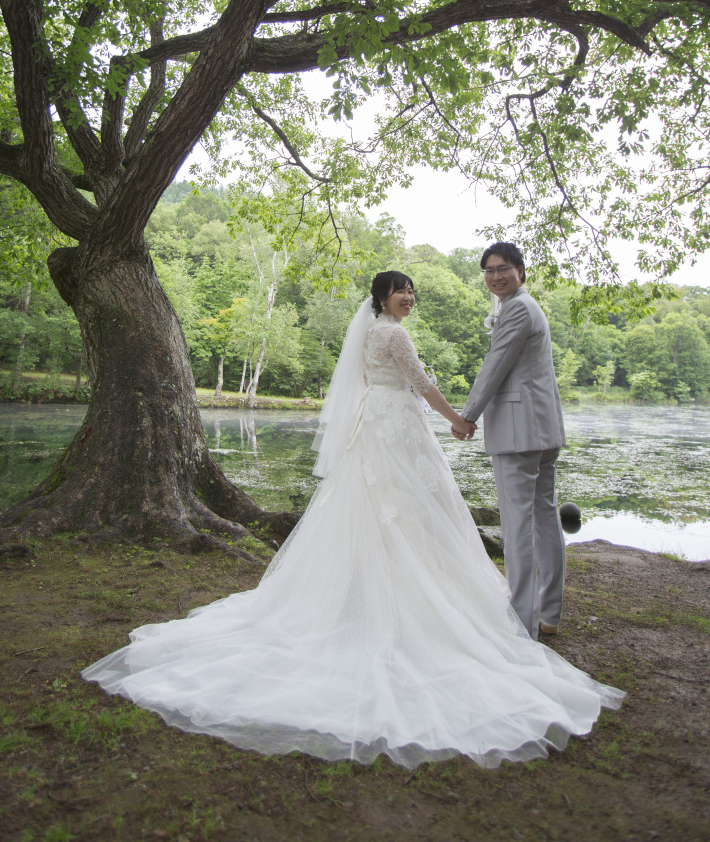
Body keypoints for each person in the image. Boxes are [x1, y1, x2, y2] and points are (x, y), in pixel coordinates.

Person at [82, 271, 622, 769]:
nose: (408, 297)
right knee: (406, 508)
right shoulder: (394, 335)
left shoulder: (370, 333)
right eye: (400, 291)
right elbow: (420, 383)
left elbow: (376, 381)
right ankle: (402, 598)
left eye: (411, 290)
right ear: (382, 299)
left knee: (383, 507)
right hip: (396, 424)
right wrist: (459, 419)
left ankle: (369, 588)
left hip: (376, 423)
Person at [458, 243, 567, 639]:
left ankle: (521, 621)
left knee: (518, 523)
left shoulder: (519, 308)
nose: (495, 276)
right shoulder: (526, 306)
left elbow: (496, 364)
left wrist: (467, 415)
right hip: (542, 429)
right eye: (489, 271)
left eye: (503, 268)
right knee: (545, 518)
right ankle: (549, 613)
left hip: (519, 432)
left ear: (521, 270)